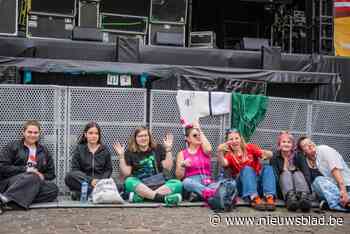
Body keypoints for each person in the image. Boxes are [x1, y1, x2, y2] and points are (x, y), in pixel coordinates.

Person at [0, 120, 58, 214]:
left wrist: (42, 176)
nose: (32, 135)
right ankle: (8, 198)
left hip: (34, 182)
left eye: (36, 132)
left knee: (53, 189)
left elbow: (51, 173)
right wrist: (26, 170)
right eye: (29, 132)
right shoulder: (12, 146)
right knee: (32, 176)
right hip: (12, 182)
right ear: (23, 132)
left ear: (39, 134)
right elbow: (2, 167)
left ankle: (7, 201)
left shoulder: (44, 150)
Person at [114, 126, 182, 205]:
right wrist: (121, 157)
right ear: (135, 139)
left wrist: (168, 149)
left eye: (145, 135)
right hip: (140, 185)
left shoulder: (158, 148)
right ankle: (163, 198)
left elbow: (168, 167)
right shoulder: (130, 152)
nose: (143, 138)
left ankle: (145, 196)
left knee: (178, 183)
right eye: (140, 136)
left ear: (149, 137)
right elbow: (126, 173)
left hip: (160, 184)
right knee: (129, 181)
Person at [217, 128, 276, 211]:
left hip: (257, 183)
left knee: (268, 168)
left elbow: (267, 154)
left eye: (236, 138)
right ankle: (253, 198)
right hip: (243, 186)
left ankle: (269, 198)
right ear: (227, 142)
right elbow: (224, 163)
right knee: (247, 169)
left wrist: (268, 154)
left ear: (241, 138)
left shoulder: (250, 147)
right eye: (231, 139)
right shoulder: (229, 155)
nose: (234, 141)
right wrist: (219, 152)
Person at [175, 121, 235, 202]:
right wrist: (182, 165)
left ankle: (203, 194)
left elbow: (209, 149)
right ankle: (212, 194)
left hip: (208, 182)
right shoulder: (182, 153)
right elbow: (179, 176)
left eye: (199, 135)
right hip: (193, 182)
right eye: (195, 135)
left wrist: (200, 130)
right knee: (186, 182)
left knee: (229, 183)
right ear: (188, 139)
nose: (198, 137)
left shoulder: (204, 149)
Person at [297, 136, 350, 211]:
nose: (309, 145)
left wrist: (343, 192)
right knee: (316, 184)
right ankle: (342, 203)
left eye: (310, 142)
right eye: (305, 145)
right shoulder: (308, 160)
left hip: (346, 186)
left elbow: (335, 170)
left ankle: (338, 204)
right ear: (303, 151)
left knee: (319, 180)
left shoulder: (324, 150)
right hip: (332, 190)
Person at [65, 122, 113, 200]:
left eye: (96, 133)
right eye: (90, 133)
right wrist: (91, 181)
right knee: (69, 177)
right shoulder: (79, 149)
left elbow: (108, 170)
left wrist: (100, 182)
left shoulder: (104, 150)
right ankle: (97, 193)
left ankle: (86, 194)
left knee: (120, 186)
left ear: (99, 135)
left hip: (101, 183)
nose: (94, 136)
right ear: (85, 134)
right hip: (85, 182)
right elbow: (75, 170)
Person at [270, 131, 312, 212]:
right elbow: (275, 177)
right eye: (283, 142)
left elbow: (306, 173)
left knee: (297, 173)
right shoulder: (275, 157)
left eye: (289, 142)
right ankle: (290, 199)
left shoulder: (298, 155)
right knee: (286, 173)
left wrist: (308, 189)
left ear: (292, 145)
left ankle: (304, 197)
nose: (286, 144)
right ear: (279, 144)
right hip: (284, 189)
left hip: (301, 186)